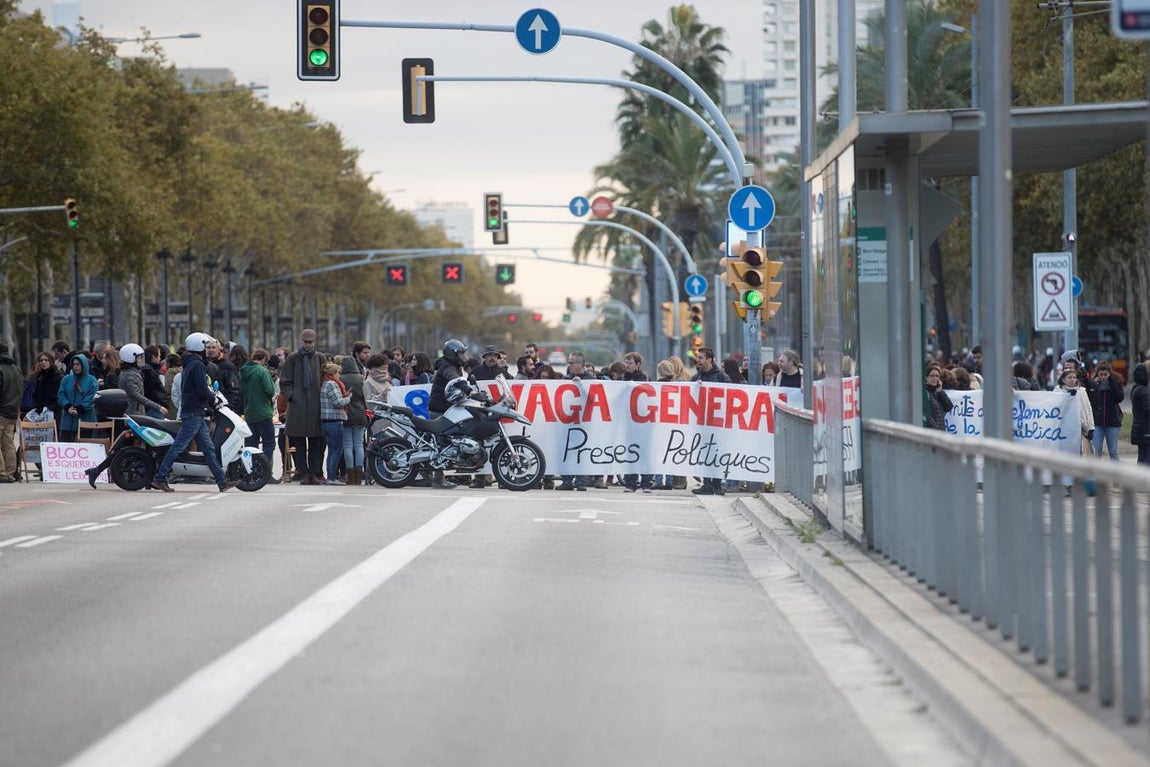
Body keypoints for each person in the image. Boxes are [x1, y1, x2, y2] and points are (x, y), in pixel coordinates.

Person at [149, 332, 238, 494]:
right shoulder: (197, 365)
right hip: (193, 412)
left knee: (208, 448)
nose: (207, 350)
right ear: (198, 347)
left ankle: (222, 481)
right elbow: (201, 388)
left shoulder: (190, 363)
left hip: (194, 411)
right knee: (179, 446)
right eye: (205, 346)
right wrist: (212, 399)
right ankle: (160, 477)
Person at [279, 329, 326, 484]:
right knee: (298, 442)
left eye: (310, 342)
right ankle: (303, 472)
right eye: (305, 342)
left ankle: (315, 472)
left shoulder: (320, 358)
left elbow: (325, 378)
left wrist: (322, 396)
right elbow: (284, 382)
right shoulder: (293, 358)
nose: (307, 345)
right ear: (301, 341)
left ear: (314, 341)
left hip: (315, 406)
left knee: (315, 442)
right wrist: (293, 396)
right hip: (297, 407)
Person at [426, 339, 469, 489]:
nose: (463, 356)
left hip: (447, 409)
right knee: (441, 443)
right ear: (453, 354)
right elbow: (453, 378)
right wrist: (465, 386)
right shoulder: (446, 366)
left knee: (446, 440)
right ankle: (438, 479)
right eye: (461, 354)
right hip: (440, 410)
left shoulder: (454, 365)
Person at [691, 348, 732, 496]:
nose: (698, 360)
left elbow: (731, 395)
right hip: (702, 423)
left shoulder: (722, 378)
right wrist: (695, 388)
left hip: (718, 423)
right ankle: (707, 483)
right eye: (698, 358)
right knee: (704, 453)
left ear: (710, 359)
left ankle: (717, 484)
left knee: (717, 453)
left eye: (701, 358)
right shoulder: (695, 378)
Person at [241, 348, 278, 482]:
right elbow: (270, 390)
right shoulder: (262, 371)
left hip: (249, 412)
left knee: (252, 445)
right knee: (269, 443)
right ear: (263, 360)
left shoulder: (243, 371)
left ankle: (251, 472)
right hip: (263, 412)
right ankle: (265, 473)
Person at [557, 352, 593, 491]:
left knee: (582, 451)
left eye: (572, 362)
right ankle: (567, 480)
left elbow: (593, 398)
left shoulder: (590, 380)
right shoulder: (566, 379)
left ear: (580, 364)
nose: (569, 365)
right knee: (566, 450)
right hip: (567, 420)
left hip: (584, 421)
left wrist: (581, 386)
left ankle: (581, 482)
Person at [620, 352, 654, 494]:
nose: (627, 366)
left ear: (638, 365)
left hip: (643, 423)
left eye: (630, 363)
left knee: (645, 453)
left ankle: (646, 484)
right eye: (626, 363)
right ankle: (631, 484)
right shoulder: (622, 380)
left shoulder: (645, 379)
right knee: (630, 453)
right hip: (628, 423)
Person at [320, 362, 351, 485]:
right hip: (334, 420)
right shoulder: (332, 384)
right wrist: (348, 398)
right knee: (336, 450)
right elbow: (338, 402)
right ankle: (332, 477)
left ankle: (330, 476)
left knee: (332, 450)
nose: (339, 375)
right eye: (338, 372)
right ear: (333, 373)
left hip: (326, 421)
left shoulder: (324, 383)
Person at [57, 354, 99, 442]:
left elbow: (92, 397)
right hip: (68, 420)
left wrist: (79, 409)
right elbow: (61, 395)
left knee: (85, 446)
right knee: (66, 445)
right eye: (74, 364)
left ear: (84, 365)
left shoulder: (92, 381)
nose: (75, 367)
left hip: (86, 419)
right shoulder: (66, 379)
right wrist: (68, 406)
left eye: (78, 364)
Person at [339, 355, 367, 485]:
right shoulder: (361, 378)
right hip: (360, 414)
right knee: (359, 445)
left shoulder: (340, 379)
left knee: (348, 445)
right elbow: (365, 398)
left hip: (346, 414)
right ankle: (359, 475)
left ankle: (350, 476)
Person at [1088, 362, 1124, 461]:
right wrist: (1093, 386)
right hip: (1097, 422)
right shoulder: (1094, 384)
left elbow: (1119, 398)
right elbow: (1089, 399)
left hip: (1112, 422)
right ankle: (1095, 470)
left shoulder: (1115, 382)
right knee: (1096, 451)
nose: (1103, 377)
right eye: (1101, 374)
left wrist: (1112, 382)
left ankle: (1116, 471)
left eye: (1105, 374)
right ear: (1097, 374)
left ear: (1109, 374)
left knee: (1113, 451)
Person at [0, 343, 23, 483]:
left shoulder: (1, 369)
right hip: (12, 412)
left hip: (1, 410)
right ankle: (10, 472)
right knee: (8, 444)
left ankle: (1, 473)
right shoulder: (16, 369)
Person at [29, 352, 63, 424]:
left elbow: (60, 395)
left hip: (53, 412)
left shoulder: (58, 376)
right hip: (40, 412)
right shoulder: (39, 377)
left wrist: (50, 407)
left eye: (46, 360)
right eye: (41, 360)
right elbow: (36, 395)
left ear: (51, 362)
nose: (43, 362)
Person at [1130, 364, 1150, 466]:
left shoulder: (1136, 389)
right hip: (1146, 429)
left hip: (1139, 429)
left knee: (1142, 457)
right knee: (1147, 458)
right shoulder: (1144, 391)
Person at [924, 365, 952, 430]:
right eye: (932, 376)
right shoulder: (925, 393)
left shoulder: (938, 393)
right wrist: (936, 428)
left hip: (940, 431)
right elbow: (926, 415)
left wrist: (940, 391)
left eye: (937, 376)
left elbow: (949, 407)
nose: (935, 378)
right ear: (926, 377)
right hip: (932, 432)